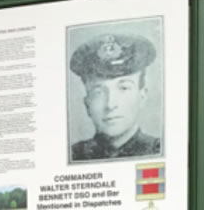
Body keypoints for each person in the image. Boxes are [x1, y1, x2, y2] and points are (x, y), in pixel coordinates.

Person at [69, 32, 161, 161]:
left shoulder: (158, 150)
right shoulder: (74, 155)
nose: (110, 105)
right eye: (98, 92)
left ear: (142, 97)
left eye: (124, 88)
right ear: (87, 104)